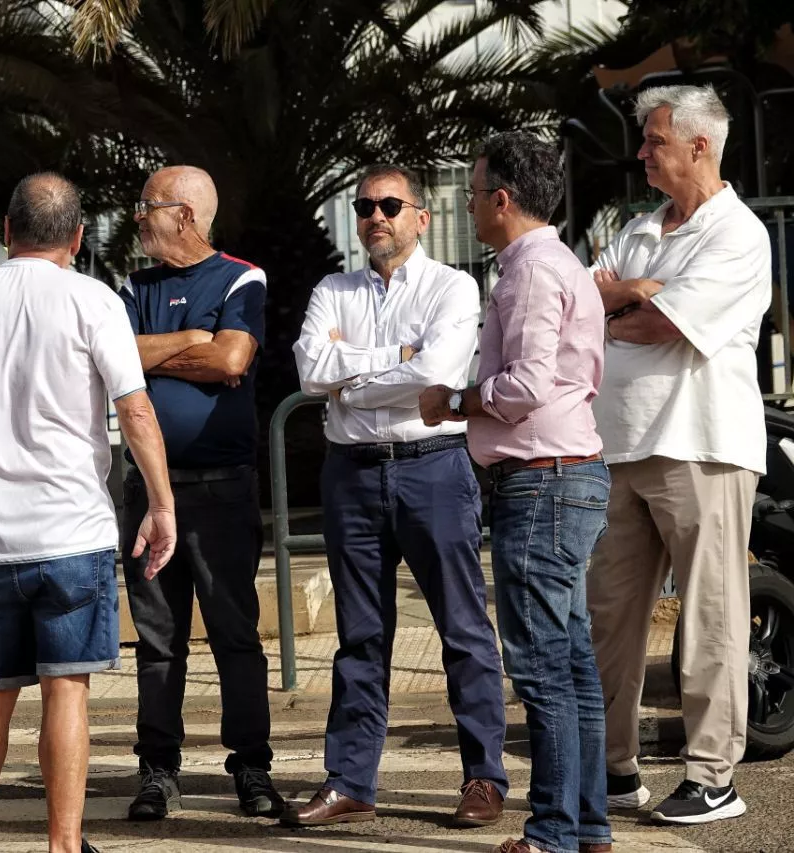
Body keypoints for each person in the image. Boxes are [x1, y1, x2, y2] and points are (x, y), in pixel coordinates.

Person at [0, 171, 177, 853]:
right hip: (71, 532)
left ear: (6, 233)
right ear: (79, 238)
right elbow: (134, 409)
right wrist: (161, 503)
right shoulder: (95, 301)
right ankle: (63, 842)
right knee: (66, 691)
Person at [288, 164, 508, 828]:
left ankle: (484, 777)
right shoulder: (333, 287)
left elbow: (438, 374)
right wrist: (395, 357)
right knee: (360, 635)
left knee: (463, 628)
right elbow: (308, 367)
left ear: (420, 216)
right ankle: (350, 779)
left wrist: (350, 370)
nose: (374, 216)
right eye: (363, 206)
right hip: (351, 472)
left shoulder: (453, 286)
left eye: (389, 204)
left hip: (433, 468)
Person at [420, 132, 612, 853]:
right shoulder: (558, 263)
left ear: (502, 199)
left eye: (472, 194)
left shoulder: (530, 271)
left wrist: (458, 400)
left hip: (540, 481)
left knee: (541, 666)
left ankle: (554, 831)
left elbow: (527, 384)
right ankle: (587, 825)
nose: (468, 206)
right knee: (571, 662)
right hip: (567, 472)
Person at [587, 84, 771, 825]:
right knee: (609, 615)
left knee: (712, 615)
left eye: (653, 141)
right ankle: (612, 767)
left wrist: (622, 303)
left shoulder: (739, 234)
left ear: (700, 145)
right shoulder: (637, 230)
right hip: (619, 444)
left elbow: (663, 324)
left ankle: (712, 775)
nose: (640, 153)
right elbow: (577, 301)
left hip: (704, 443)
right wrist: (629, 291)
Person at [118, 165, 283, 821]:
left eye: (147, 207)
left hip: (221, 491)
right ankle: (158, 770)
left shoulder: (241, 277)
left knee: (234, 634)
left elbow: (232, 360)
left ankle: (252, 767)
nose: (137, 218)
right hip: (148, 489)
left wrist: (164, 352)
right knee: (158, 641)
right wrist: (191, 340)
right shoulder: (135, 284)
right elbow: (113, 355)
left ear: (183, 215)